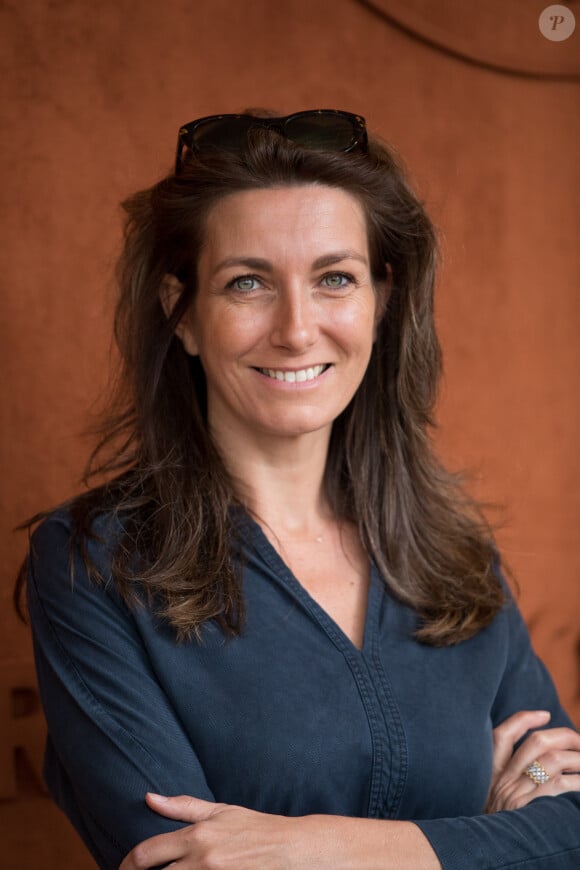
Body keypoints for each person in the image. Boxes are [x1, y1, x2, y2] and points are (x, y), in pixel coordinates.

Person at [18, 110, 580, 870]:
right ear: (180, 313)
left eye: (334, 279)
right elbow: (178, 863)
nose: (296, 328)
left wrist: (335, 848)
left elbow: (572, 821)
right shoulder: (97, 564)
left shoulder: (450, 555)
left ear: (382, 303)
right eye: (247, 282)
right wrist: (486, 835)